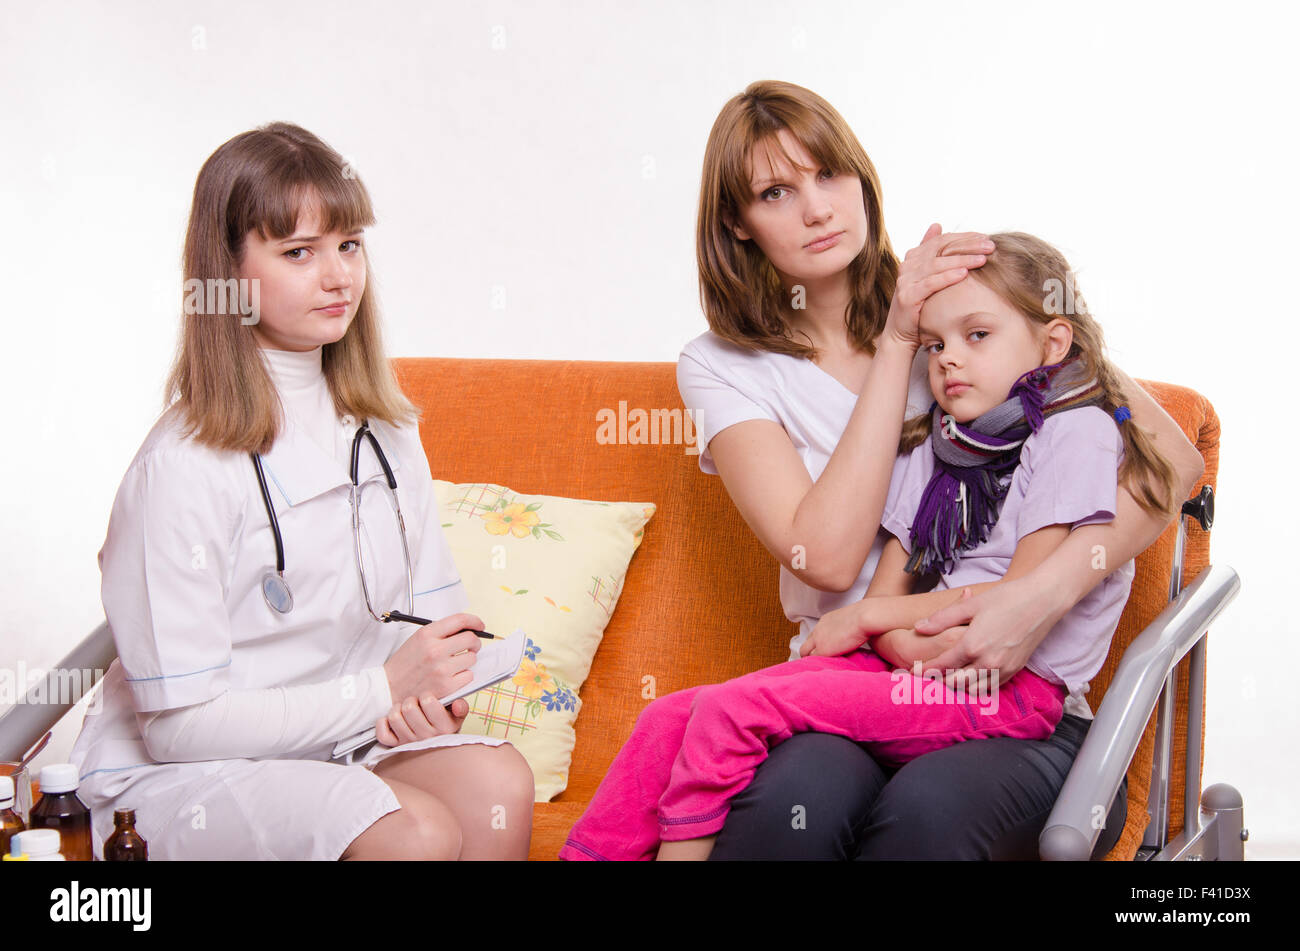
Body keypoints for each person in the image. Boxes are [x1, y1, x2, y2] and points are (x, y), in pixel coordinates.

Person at [571, 81, 1204, 861]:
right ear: (737, 221)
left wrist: (1034, 599)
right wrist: (899, 341)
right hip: (854, 668)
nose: (818, 209)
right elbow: (829, 557)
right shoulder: (732, 366)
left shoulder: (961, 312)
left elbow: (1169, 461)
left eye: (830, 175)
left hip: (999, 683)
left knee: (927, 817)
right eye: (777, 191)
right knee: (786, 810)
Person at [69, 122, 534, 860]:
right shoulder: (180, 466)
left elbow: (433, 629)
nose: (337, 276)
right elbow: (178, 727)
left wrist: (432, 700)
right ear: (228, 272)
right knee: (416, 830)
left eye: (348, 244)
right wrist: (379, 690)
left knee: (498, 781)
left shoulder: (387, 428)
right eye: (298, 252)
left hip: (335, 741)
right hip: (184, 773)